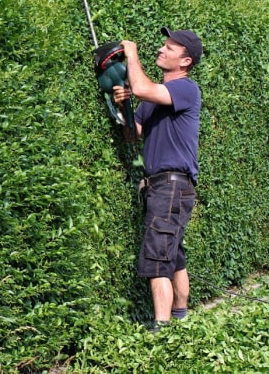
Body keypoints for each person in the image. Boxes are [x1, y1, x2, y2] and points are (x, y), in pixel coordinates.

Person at [113, 26, 202, 332]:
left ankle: (161, 330)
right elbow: (131, 135)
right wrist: (122, 106)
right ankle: (180, 319)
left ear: (185, 61)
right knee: (172, 253)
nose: (161, 50)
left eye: (170, 48)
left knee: (157, 255)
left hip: (172, 185)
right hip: (161, 187)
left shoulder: (186, 89)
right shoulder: (153, 99)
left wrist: (131, 54)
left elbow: (141, 88)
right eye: (163, 45)